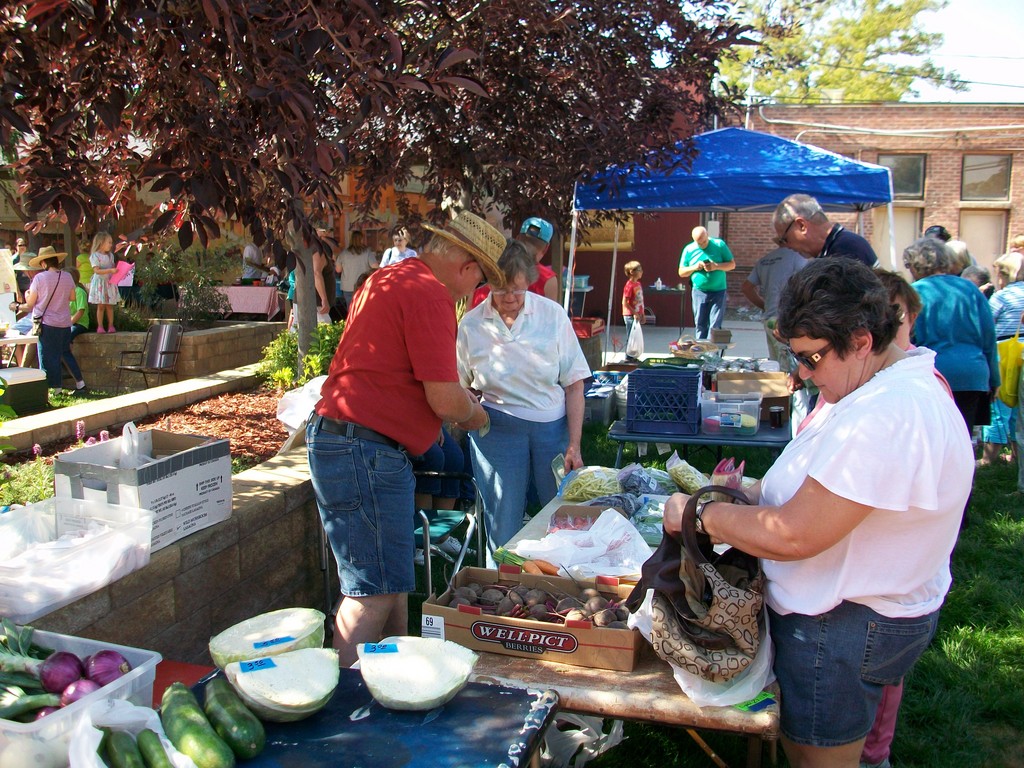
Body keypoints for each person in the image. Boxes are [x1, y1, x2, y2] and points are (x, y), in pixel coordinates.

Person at [664, 258, 972, 768]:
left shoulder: (888, 413)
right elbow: (826, 491)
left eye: (810, 358)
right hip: (846, 617)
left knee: (819, 760)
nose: (800, 373)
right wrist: (753, 492)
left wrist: (699, 516)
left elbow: (794, 535)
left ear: (861, 340)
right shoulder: (876, 384)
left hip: (843, 625)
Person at [306, 210, 502, 667]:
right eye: (478, 284)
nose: (471, 295)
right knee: (369, 594)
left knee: (390, 583)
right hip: (366, 447)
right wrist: (478, 414)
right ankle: (341, 709)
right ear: (467, 267)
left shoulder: (386, 278)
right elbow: (446, 402)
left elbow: (401, 373)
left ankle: (391, 681)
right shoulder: (430, 293)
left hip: (356, 442)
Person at [457, 241, 591, 560]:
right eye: (502, 290)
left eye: (518, 289)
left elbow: (574, 385)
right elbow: (459, 385)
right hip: (497, 430)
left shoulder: (552, 315)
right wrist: (472, 413)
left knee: (561, 518)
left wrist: (574, 444)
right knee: (503, 522)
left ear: (528, 283)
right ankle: (499, 591)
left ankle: (563, 586)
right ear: (488, 284)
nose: (511, 298)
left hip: (551, 428)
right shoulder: (472, 324)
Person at [904, 236, 999, 435]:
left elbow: (905, 339)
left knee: (934, 439)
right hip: (972, 374)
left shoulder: (913, 292)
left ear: (916, 264)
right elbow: (989, 336)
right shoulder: (970, 289)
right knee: (962, 438)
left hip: (932, 374)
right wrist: (995, 379)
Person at [16, 246, 86, 394]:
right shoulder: (67, 277)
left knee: (47, 356)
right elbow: (72, 297)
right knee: (65, 353)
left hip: (47, 323)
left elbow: (30, 304)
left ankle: (54, 388)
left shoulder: (39, 278)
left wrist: (20, 303)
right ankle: (80, 383)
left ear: (43, 263)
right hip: (65, 322)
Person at [979, 255, 1024, 466]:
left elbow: (986, 324)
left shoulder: (1002, 296)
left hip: (1005, 352)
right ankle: (1016, 456)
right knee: (1019, 409)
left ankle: (988, 458)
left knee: (1000, 405)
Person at [469, 217, 559, 309]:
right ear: (546, 248)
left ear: (517, 238)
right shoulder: (548, 279)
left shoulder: (486, 266)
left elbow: (468, 312)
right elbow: (551, 317)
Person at [742, 245, 808, 368]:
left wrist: (765, 306)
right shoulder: (798, 258)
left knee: (776, 366)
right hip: (787, 320)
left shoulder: (765, 260)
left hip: (770, 319)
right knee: (790, 367)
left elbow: (746, 288)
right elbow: (809, 284)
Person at [772, 193, 879, 268]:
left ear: (801, 225)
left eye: (785, 239)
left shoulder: (846, 250)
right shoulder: (838, 246)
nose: (787, 247)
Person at [677, 225, 735, 340]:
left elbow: (732, 265)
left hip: (718, 291)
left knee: (715, 325)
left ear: (707, 236)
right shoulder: (689, 249)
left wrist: (715, 266)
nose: (701, 245)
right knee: (700, 323)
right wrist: (694, 267)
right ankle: (701, 351)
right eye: (698, 243)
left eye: (703, 242)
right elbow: (681, 272)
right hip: (699, 291)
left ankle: (712, 354)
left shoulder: (719, 245)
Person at [334, 231, 377, 310]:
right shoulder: (367, 252)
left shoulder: (343, 253)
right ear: (361, 240)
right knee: (363, 309)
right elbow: (375, 267)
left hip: (348, 286)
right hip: (363, 285)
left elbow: (338, 270)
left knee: (351, 310)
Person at [88, 231, 120, 333]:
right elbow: (96, 270)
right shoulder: (95, 256)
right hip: (100, 283)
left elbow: (112, 267)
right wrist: (110, 270)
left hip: (109, 282)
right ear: (101, 243)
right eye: (109, 242)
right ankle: (100, 326)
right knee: (101, 305)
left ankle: (111, 325)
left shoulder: (110, 256)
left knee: (109, 305)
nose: (111, 245)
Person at [621, 259, 645, 339]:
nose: (641, 271)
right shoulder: (629, 285)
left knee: (636, 338)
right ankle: (629, 352)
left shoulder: (638, 284)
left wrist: (642, 314)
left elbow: (640, 301)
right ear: (631, 272)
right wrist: (634, 313)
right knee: (631, 338)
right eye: (639, 270)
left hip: (637, 314)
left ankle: (634, 352)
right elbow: (625, 302)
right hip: (630, 315)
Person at [67, 266, 91, 342]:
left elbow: (81, 311)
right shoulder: (66, 291)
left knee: (66, 336)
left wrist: (70, 323)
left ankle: (65, 352)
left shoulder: (79, 292)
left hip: (79, 323)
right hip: (68, 323)